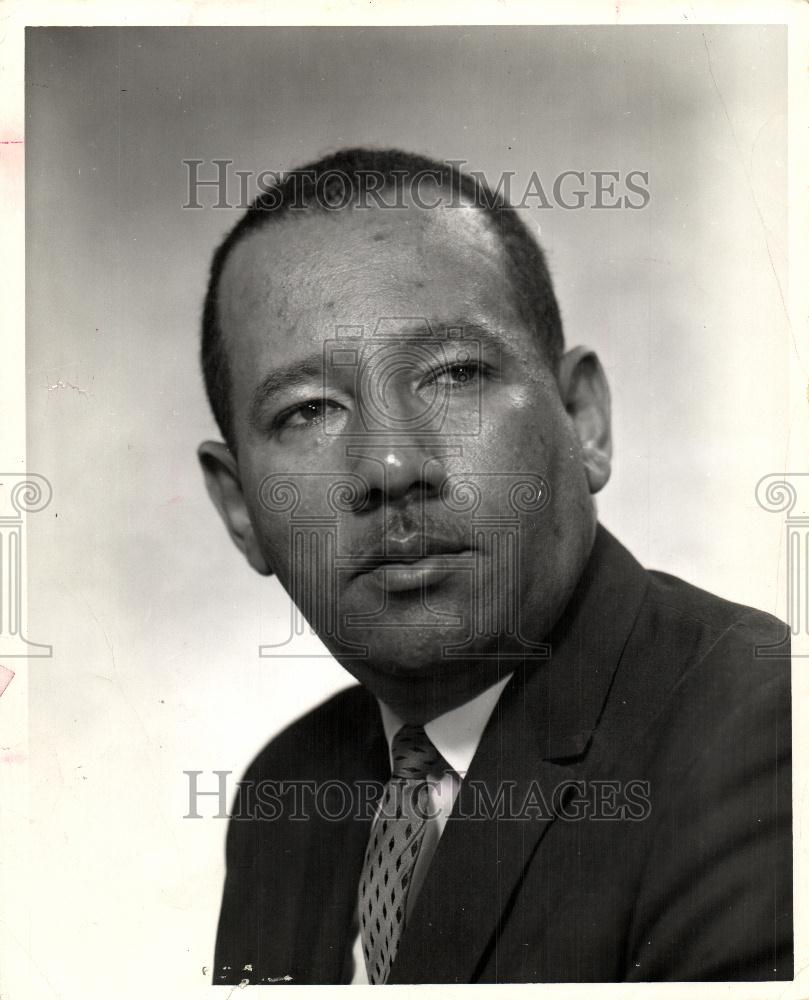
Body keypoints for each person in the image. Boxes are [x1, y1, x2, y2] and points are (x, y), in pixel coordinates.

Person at [197, 148, 792, 985]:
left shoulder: (759, 731)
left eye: (455, 374)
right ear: (238, 509)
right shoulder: (289, 788)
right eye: (307, 411)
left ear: (583, 420)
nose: (392, 465)